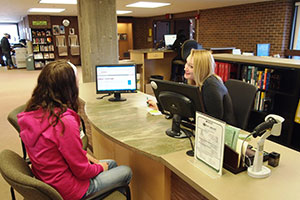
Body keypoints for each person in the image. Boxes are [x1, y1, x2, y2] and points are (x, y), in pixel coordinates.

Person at [17, 60, 132, 200]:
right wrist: (100, 167)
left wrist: (87, 156)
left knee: (111, 164)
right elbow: (82, 172)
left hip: (48, 181)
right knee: (126, 171)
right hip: (70, 190)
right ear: (69, 88)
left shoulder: (31, 113)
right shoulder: (63, 122)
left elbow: (59, 151)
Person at [148, 49, 237, 126]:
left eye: (191, 66)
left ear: (201, 69)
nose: (185, 68)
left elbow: (213, 121)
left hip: (222, 136)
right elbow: (189, 109)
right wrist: (161, 106)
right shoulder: (198, 82)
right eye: (186, 63)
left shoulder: (211, 86)